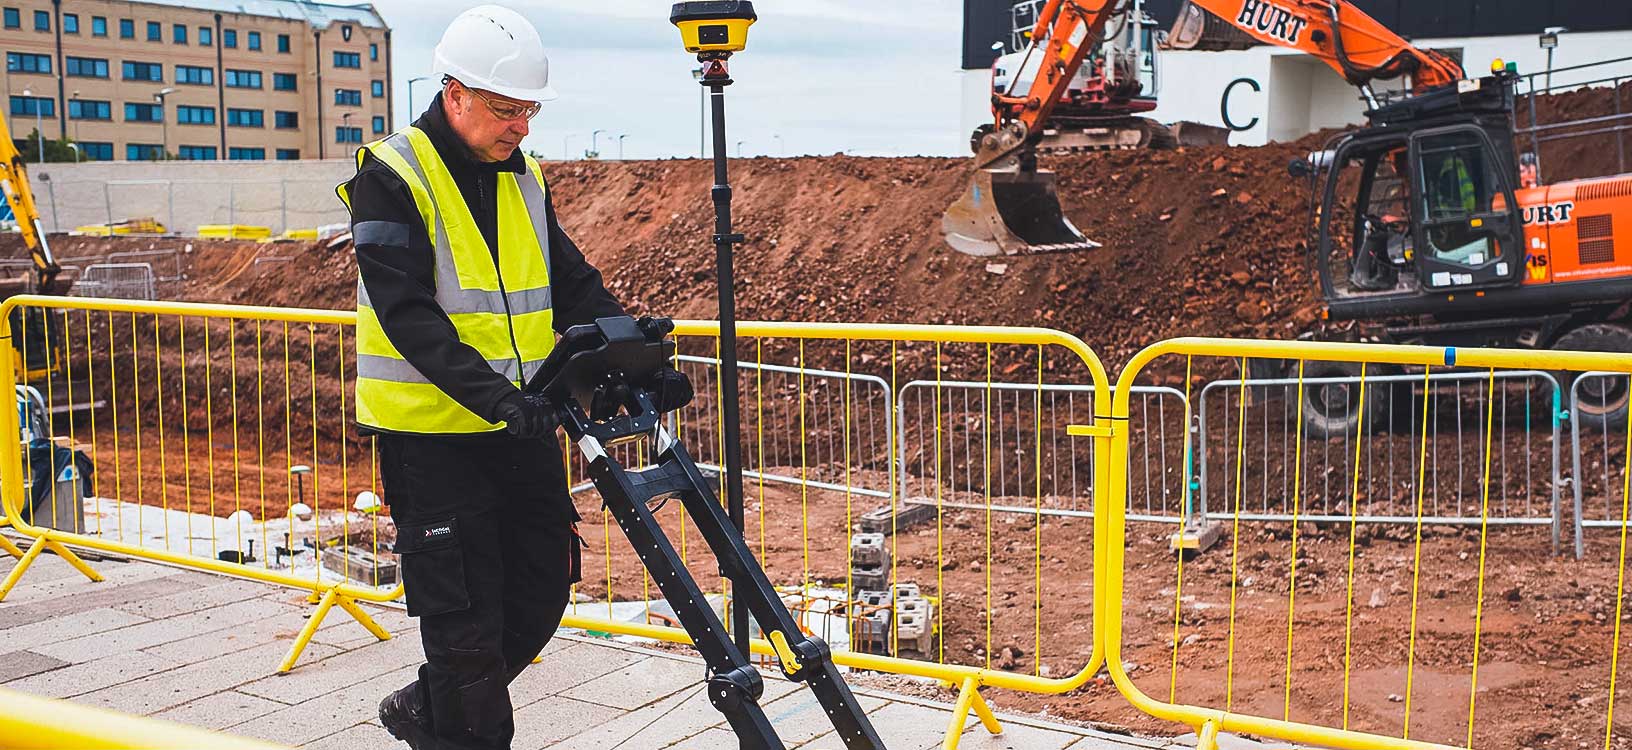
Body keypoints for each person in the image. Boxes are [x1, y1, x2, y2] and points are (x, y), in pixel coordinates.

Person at [336, 6, 686, 748]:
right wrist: (499, 397)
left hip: (518, 428)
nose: (521, 126)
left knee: (539, 594)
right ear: (455, 93)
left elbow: (570, 281)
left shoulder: (521, 177)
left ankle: (425, 713)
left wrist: (633, 349)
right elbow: (407, 312)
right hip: (433, 439)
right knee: (466, 629)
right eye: (506, 109)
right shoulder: (391, 175)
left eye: (528, 110)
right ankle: (458, 726)